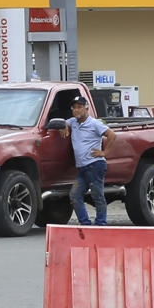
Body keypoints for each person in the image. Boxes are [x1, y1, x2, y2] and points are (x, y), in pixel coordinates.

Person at [52, 93, 114, 226]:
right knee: (74, 195)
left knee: (97, 196)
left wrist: (104, 152)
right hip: (82, 168)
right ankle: (85, 224)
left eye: (79, 107)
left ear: (86, 108)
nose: (76, 110)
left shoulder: (94, 123)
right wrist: (64, 126)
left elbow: (111, 135)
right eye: (74, 107)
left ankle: (101, 224)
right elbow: (63, 122)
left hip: (95, 165)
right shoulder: (73, 122)